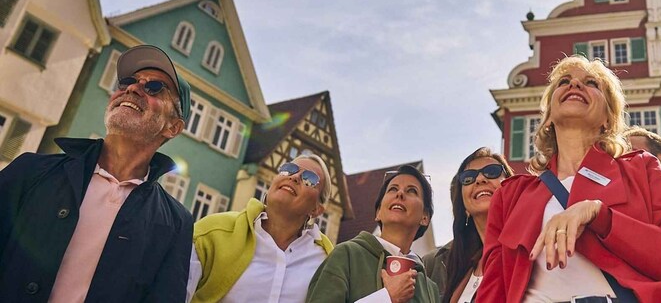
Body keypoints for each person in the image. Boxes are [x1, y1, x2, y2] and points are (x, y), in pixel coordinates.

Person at [480, 55, 661, 303]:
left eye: (591, 83)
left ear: (608, 119)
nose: (575, 85)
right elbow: (493, 289)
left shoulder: (643, 168)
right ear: (547, 118)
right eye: (564, 81)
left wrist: (601, 216)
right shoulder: (510, 195)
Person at [0, 44, 194, 301]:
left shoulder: (177, 222)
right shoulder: (30, 171)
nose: (132, 88)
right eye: (127, 82)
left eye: (154, 87)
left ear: (173, 127)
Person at [187, 153, 335, 302]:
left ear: (316, 210)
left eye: (310, 178)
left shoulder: (327, 263)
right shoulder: (212, 233)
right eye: (289, 169)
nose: (295, 177)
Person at [307, 164, 438, 303]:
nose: (400, 193)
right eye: (393, 189)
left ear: (425, 217)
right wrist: (386, 298)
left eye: (412, 191)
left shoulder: (430, 289)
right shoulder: (346, 255)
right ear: (378, 212)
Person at [423, 147, 514, 303]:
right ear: (464, 208)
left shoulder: (532, 245)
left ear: (511, 187)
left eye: (492, 171)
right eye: (468, 178)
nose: (479, 179)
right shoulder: (448, 266)